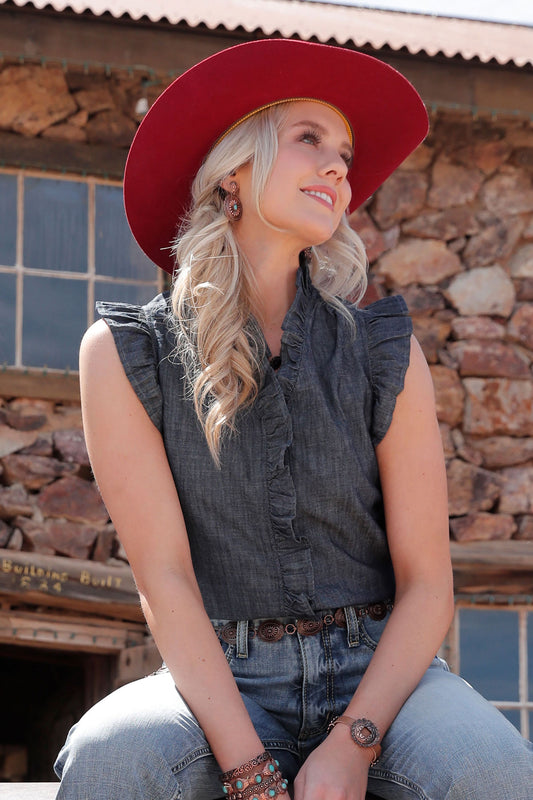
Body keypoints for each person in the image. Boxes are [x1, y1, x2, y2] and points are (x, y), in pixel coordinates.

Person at [54, 39, 533, 800]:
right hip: (218, 675)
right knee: (113, 756)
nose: (340, 167)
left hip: (381, 673)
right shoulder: (124, 354)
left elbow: (426, 586)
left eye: (343, 152)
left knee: (489, 765)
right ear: (231, 173)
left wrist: (354, 741)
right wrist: (246, 768)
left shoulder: (382, 350)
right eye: (309, 138)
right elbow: (165, 577)